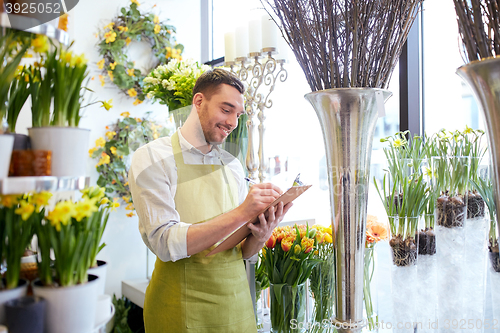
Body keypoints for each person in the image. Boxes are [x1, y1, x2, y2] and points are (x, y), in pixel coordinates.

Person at [128, 68, 293, 332]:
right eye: (226, 110)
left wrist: (261, 233)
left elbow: (242, 253)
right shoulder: (152, 158)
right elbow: (164, 242)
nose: (233, 122)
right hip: (180, 310)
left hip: (236, 309)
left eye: (238, 115)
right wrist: (242, 212)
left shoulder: (232, 165)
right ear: (198, 102)